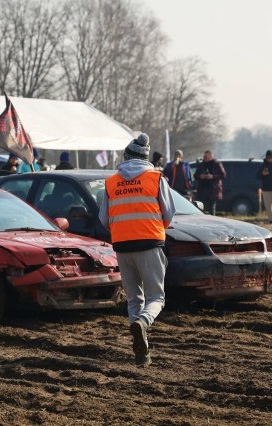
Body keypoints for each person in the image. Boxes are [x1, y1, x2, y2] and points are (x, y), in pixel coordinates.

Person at [98, 133, 176, 367]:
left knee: (134, 298)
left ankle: (141, 354)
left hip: (122, 246)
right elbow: (169, 214)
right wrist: (154, 228)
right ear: (146, 158)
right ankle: (142, 323)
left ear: (126, 156)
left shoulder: (111, 181)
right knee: (157, 298)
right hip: (150, 243)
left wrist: (124, 229)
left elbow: (104, 219)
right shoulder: (155, 178)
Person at [193, 150, 226, 215]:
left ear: (211, 156)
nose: (204, 158)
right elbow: (195, 175)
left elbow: (223, 175)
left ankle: (212, 220)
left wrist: (213, 176)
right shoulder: (201, 165)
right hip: (202, 189)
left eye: (206, 156)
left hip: (213, 190)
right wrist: (200, 176)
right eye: (204, 156)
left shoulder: (217, 164)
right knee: (201, 207)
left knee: (212, 208)